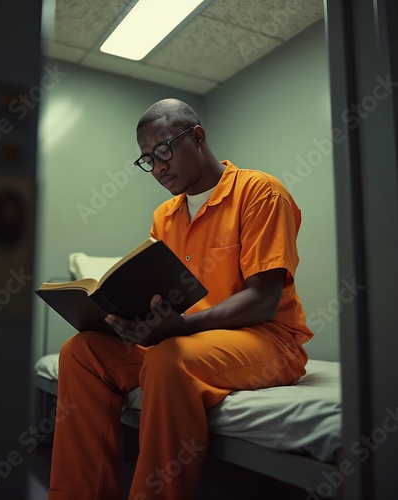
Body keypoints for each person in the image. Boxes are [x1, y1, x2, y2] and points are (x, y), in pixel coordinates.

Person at [48, 98, 313, 500]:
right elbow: (160, 294)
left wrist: (179, 328)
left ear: (199, 137)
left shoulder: (260, 193)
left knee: (167, 359)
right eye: (146, 161)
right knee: (81, 351)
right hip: (190, 339)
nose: (156, 168)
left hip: (267, 338)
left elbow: (262, 300)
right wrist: (127, 319)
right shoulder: (164, 217)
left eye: (163, 151)